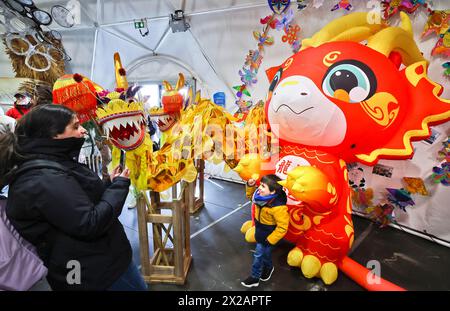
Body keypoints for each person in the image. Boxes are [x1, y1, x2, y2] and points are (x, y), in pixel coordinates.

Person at [0, 104, 147, 291]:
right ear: (54, 135)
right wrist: (119, 186)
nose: (83, 130)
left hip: (94, 263)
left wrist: (109, 184)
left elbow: (76, 202)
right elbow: (89, 222)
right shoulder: (42, 179)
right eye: (76, 126)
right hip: (94, 271)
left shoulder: (52, 163)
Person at [241, 174, 289, 288]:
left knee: (258, 255)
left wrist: (270, 239)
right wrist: (250, 186)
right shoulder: (259, 196)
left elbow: (282, 227)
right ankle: (269, 267)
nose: (259, 188)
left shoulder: (278, 207)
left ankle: (254, 277)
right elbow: (250, 196)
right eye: (260, 185)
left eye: (263, 186)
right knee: (265, 254)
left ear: (272, 192)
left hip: (268, 235)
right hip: (260, 231)